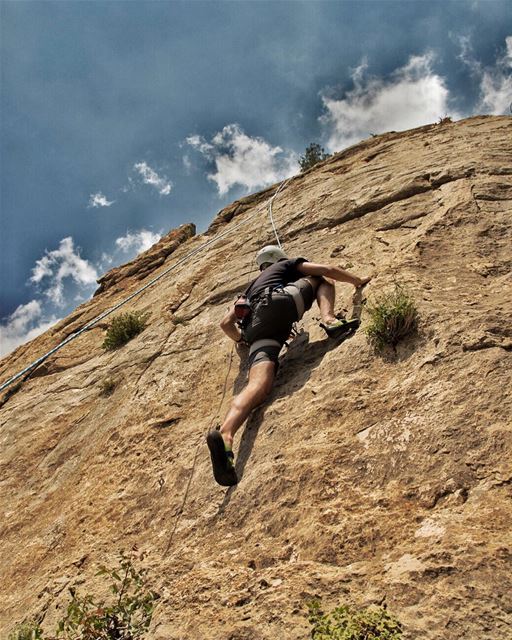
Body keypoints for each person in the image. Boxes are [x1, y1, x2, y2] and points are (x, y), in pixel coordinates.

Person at [206, 245, 371, 486]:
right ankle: (330, 320)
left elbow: (225, 324)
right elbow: (327, 269)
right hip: (281, 303)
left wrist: (241, 340)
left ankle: (226, 434)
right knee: (321, 279)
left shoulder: (248, 290)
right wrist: (357, 280)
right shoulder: (285, 265)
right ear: (278, 259)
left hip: (256, 330)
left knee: (257, 385)